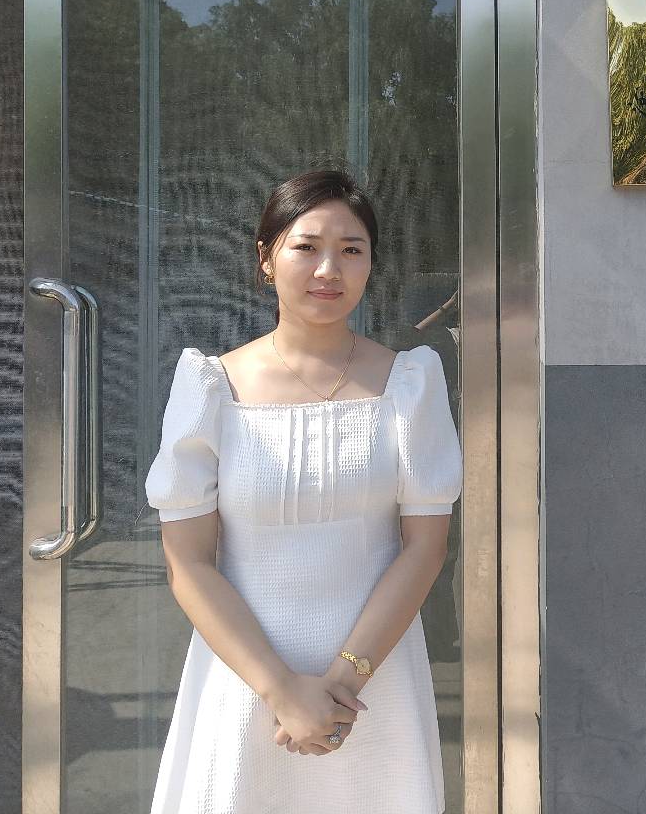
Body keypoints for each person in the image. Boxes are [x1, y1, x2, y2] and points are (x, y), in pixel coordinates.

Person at [145, 169, 462, 813]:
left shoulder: (409, 383)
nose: (328, 269)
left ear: (370, 264)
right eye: (306, 246)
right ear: (266, 259)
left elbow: (424, 548)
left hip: (375, 685)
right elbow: (188, 564)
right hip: (244, 683)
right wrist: (282, 691)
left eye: (351, 249)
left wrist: (342, 684)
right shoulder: (212, 387)